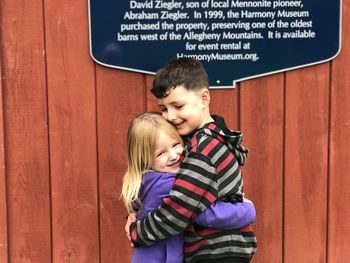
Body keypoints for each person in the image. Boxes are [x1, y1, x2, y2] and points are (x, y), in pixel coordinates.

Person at [127, 57, 257, 263]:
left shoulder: (203, 150)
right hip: (224, 248)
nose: (169, 116)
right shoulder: (211, 137)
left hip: (216, 251)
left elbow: (179, 211)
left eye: (177, 106)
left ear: (204, 98)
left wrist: (137, 232)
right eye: (163, 108)